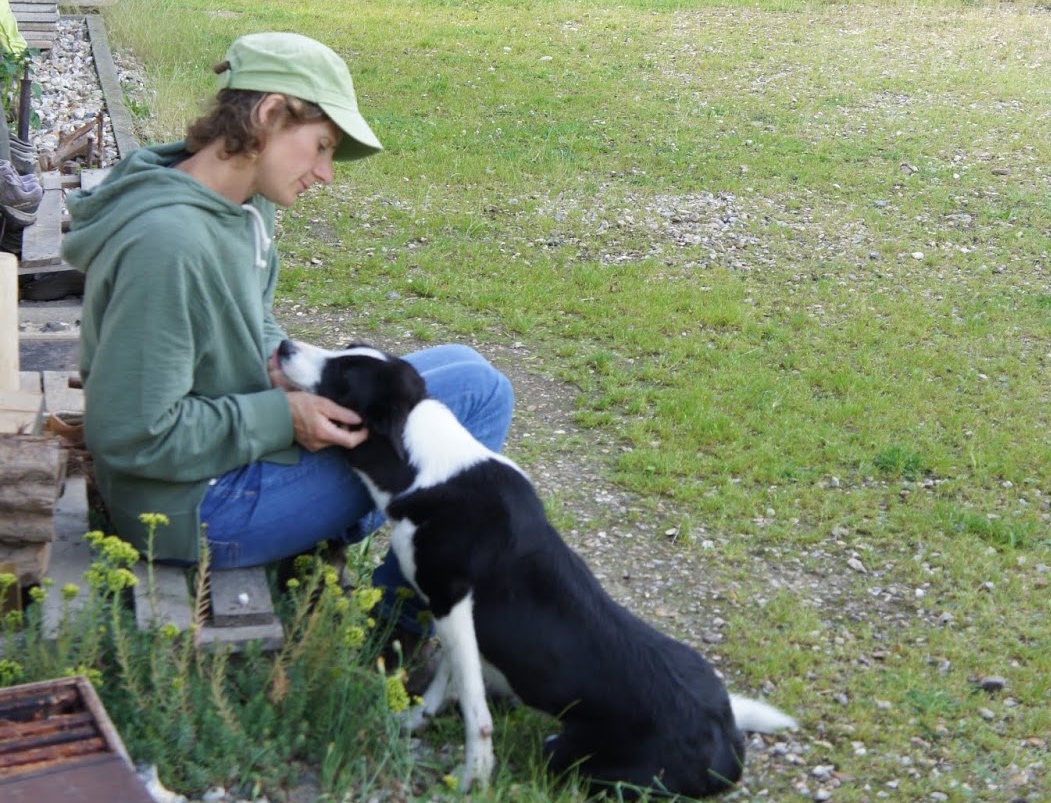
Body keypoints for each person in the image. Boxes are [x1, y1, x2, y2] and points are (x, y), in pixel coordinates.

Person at [60, 32, 514, 647]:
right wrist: (284, 417)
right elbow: (134, 437)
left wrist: (280, 362)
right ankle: (394, 632)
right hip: (190, 506)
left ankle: (371, 577)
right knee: (480, 393)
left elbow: (252, 319)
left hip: (231, 461)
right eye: (321, 146)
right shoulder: (168, 245)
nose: (325, 173)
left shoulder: (242, 204)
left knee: (462, 365)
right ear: (269, 114)